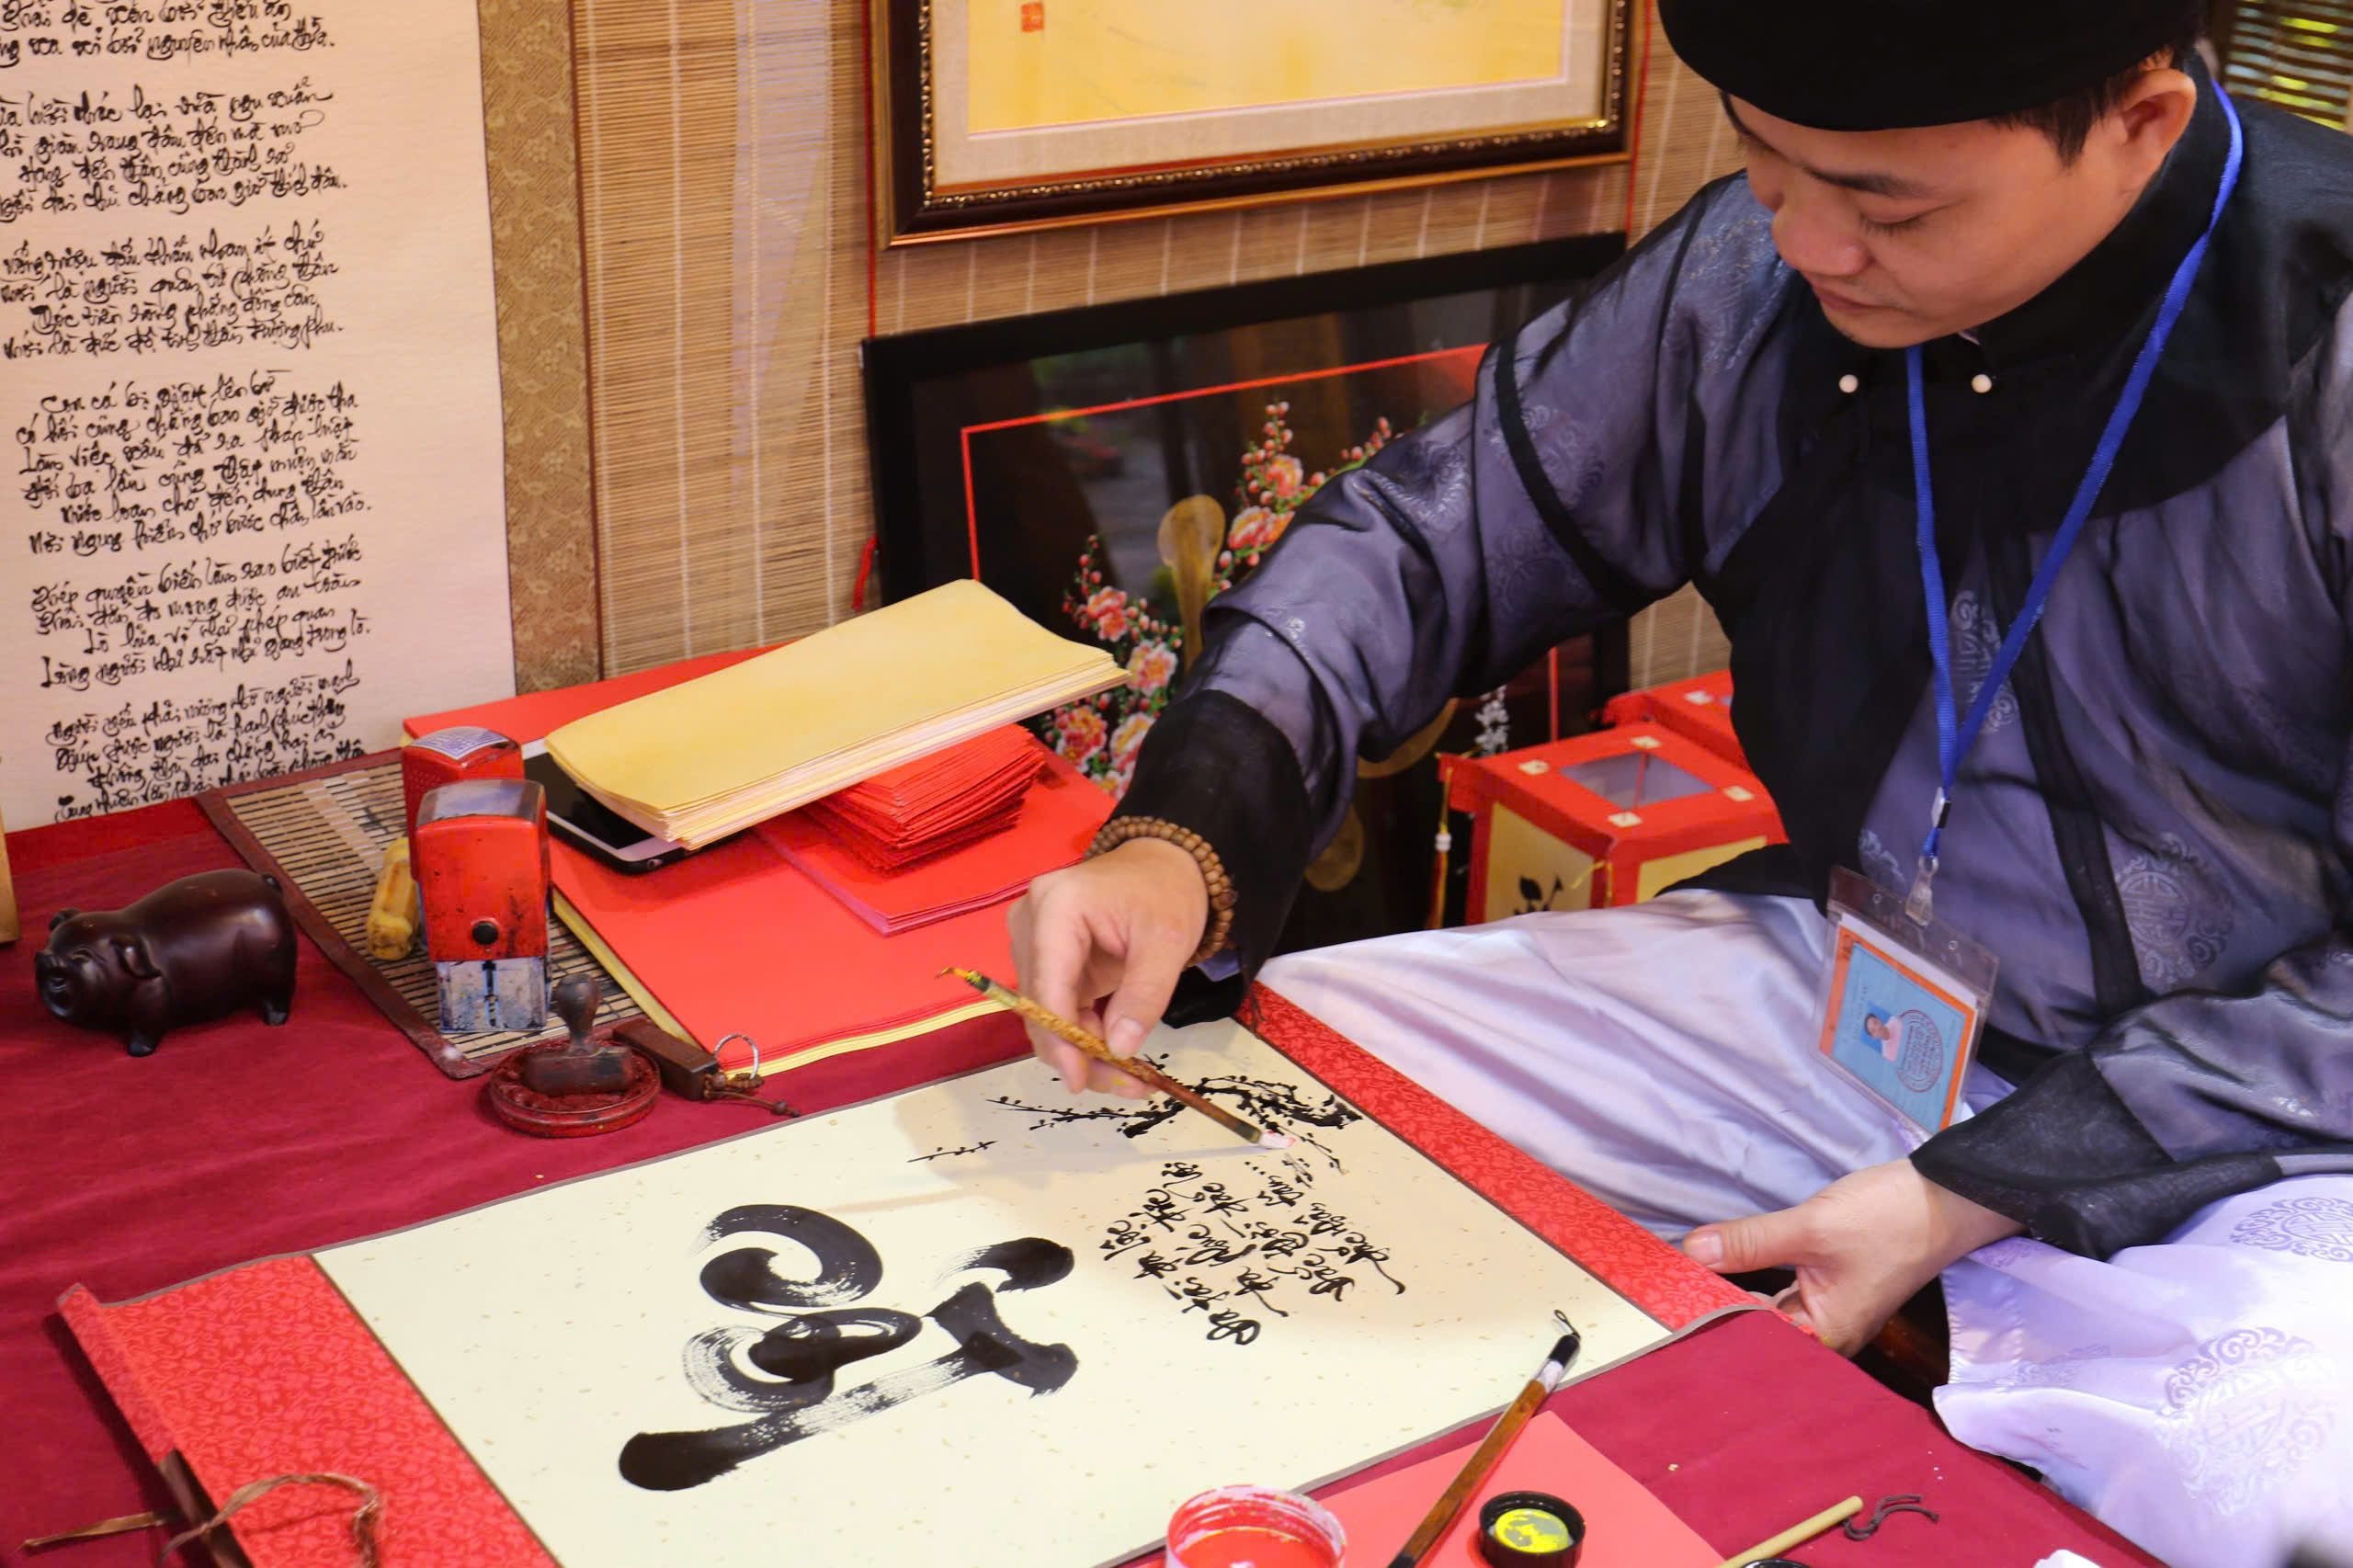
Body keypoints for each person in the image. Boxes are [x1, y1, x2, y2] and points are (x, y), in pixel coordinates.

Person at [1009, 3, 2353, 1563]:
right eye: (1766, 164)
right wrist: (1182, 833)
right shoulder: (1758, 277)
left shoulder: (2326, 344)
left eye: (1889, 206)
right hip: (1865, 987)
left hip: (2250, 1119)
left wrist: (1975, 1191)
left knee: (2295, 1479)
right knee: (1302, 1078)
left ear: (2140, 124)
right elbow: (1427, 544)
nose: (1806, 243)